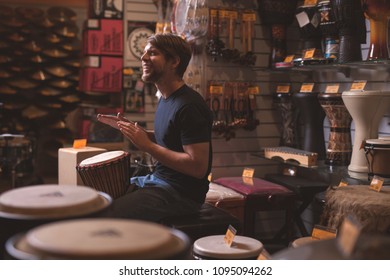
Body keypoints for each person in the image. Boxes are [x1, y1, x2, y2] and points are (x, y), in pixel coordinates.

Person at [97, 33, 213, 222]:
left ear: (174, 61)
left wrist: (147, 146)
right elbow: (171, 138)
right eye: (144, 53)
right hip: (159, 181)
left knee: (104, 215)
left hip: (180, 194)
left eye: (152, 53)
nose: (143, 58)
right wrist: (137, 132)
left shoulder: (189, 105)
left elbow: (198, 166)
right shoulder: (167, 98)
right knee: (96, 199)